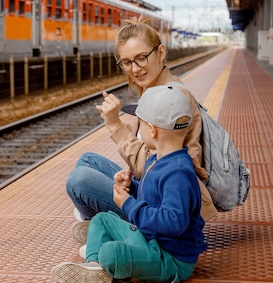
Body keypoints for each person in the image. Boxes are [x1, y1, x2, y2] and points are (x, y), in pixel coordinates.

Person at [64, 15, 217, 246]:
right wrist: (127, 176)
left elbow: (164, 166)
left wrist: (115, 125)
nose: (135, 69)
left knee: (79, 179)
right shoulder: (154, 89)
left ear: (161, 52)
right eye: (126, 62)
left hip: (162, 210)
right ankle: (100, 223)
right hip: (153, 187)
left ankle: (112, 228)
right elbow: (151, 158)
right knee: (88, 160)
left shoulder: (172, 96)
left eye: (141, 58)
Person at [51, 85, 207, 283]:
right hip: (150, 238)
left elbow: (173, 222)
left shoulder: (178, 173)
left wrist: (129, 205)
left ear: (152, 129)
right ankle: (94, 263)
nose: (137, 127)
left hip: (169, 258)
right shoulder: (159, 159)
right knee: (101, 219)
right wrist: (131, 187)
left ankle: (101, 255)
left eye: (139, 123)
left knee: (111, 253)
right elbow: (153, 195)